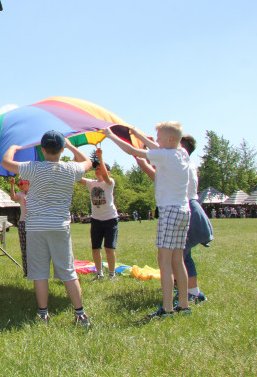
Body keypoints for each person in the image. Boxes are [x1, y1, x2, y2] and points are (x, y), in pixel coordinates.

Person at [1, 132, 93, 327]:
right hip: (59, 226)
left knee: (39, 272)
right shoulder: (71, 169)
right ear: (61, 149)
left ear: (42, 150)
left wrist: (14, 148)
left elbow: (7, 163)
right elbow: (88, 162)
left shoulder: (33, 168)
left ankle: (43, 314)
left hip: (35, 227)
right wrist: (71, 147)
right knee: (68, 271)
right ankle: (80, 314)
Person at [103, 122, 191, 317]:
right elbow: (156, 148)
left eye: (158, 137)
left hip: (169, 212)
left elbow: (131, 150)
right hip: (183, 211)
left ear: (169, 140)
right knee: (178, 259)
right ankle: (184, 305)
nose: (156, 141)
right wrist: (138, 134)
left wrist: (110, 136)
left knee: (164, 261)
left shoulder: (165, 155)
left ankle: (167, 309)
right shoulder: (181, 153)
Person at [136, 134, 213, 306]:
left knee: (180, 255)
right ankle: (184, 289)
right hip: (191, 209)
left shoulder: (178, 161)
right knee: (180, 255)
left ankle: (193, 293)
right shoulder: (184, 162)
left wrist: (142, 161)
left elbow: (157, 176)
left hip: (186, 209)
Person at [77, 148, 118, 281]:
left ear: (108, 171)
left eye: (100, 168)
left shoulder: (110, 182)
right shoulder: (91, 183)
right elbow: (77, 178)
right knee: (95, 248)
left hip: (110, 219)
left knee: (109, 248)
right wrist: (76, 161)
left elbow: (105, 177)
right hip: (96, 220)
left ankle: (112, 274)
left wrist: (100, 157)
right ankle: (99, 273)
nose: (97, 170)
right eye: (96, 169)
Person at [9, 177, 30, 276]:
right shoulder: (20, 195)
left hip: (34, 224)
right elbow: (13, 198)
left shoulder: (35, 193)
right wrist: (12, 185)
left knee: (35, 248)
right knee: (24, 248)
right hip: (23, 223)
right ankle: (27, 272)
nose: (20, 186)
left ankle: (37, 271)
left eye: (22, 184)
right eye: (18, 185)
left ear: (28, 183)